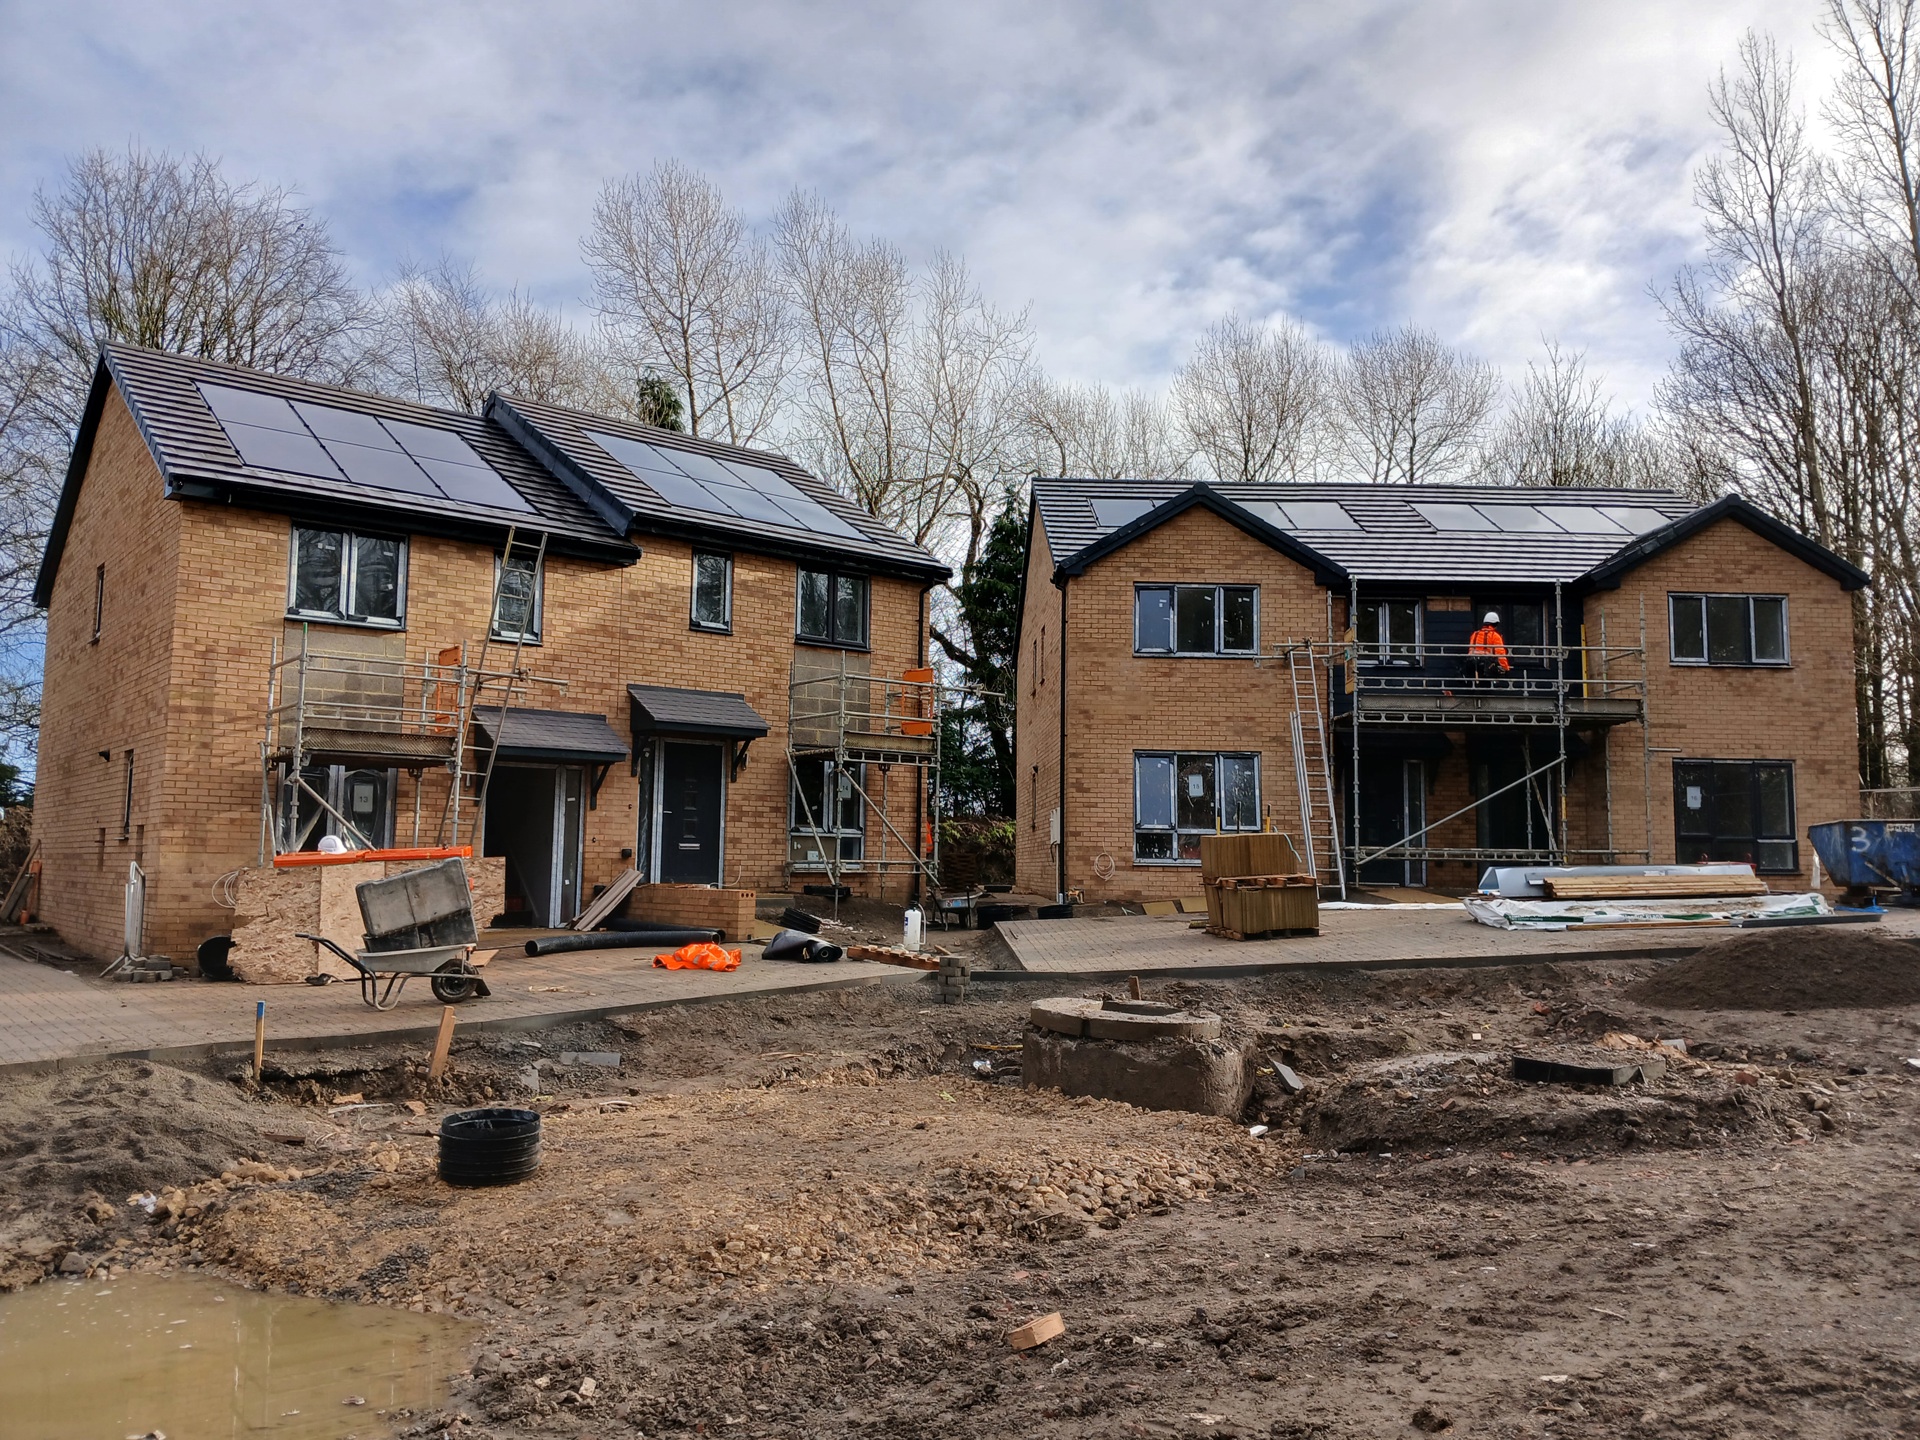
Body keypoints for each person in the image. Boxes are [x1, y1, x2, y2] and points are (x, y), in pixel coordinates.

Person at [1465, 611, 1511, 680]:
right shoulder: (1494, 636)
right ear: (1495, 624)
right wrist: (1505, 668)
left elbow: (1471, 650)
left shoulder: (1475, 634)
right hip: (1487, 669)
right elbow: (1500, 653)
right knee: (1486, 688)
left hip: (1472, 667)